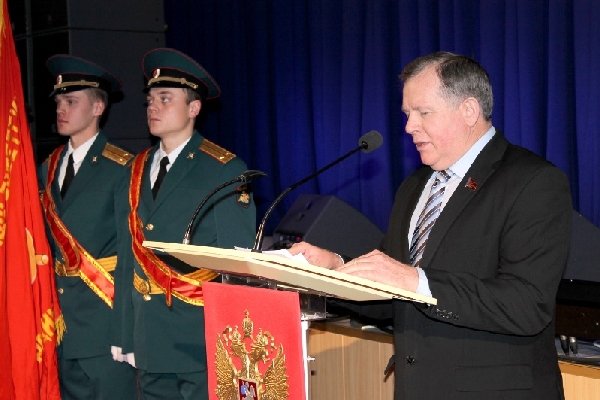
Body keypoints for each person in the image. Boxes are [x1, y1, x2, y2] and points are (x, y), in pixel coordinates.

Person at [289, 51, 572, 400]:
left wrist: (416, 281)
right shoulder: (415, 187)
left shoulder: (533, 181)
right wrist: (335, 269)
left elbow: (526, 306)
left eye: (423, 112)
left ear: (469, 111)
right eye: (407, 114)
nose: (409, 127)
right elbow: (390, 296)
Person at [111, 48, 256, 400]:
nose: (153, 107)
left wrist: (237, 341)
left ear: (194, 109)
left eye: (165, 98)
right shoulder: (133, 170)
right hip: (148, 336)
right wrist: (124, 333)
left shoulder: (223, 169)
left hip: (198, 335)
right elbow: (127, 258)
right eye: (150, 100)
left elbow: (237, 265)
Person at [39, 55, 138, 399]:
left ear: (97, 107)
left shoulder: (122, 168)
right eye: (58, 102)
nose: (60, 110)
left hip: (104, 323)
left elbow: (131, 254)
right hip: (58, 323)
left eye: (71, 102)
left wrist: (126, 331)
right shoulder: (47, 167)